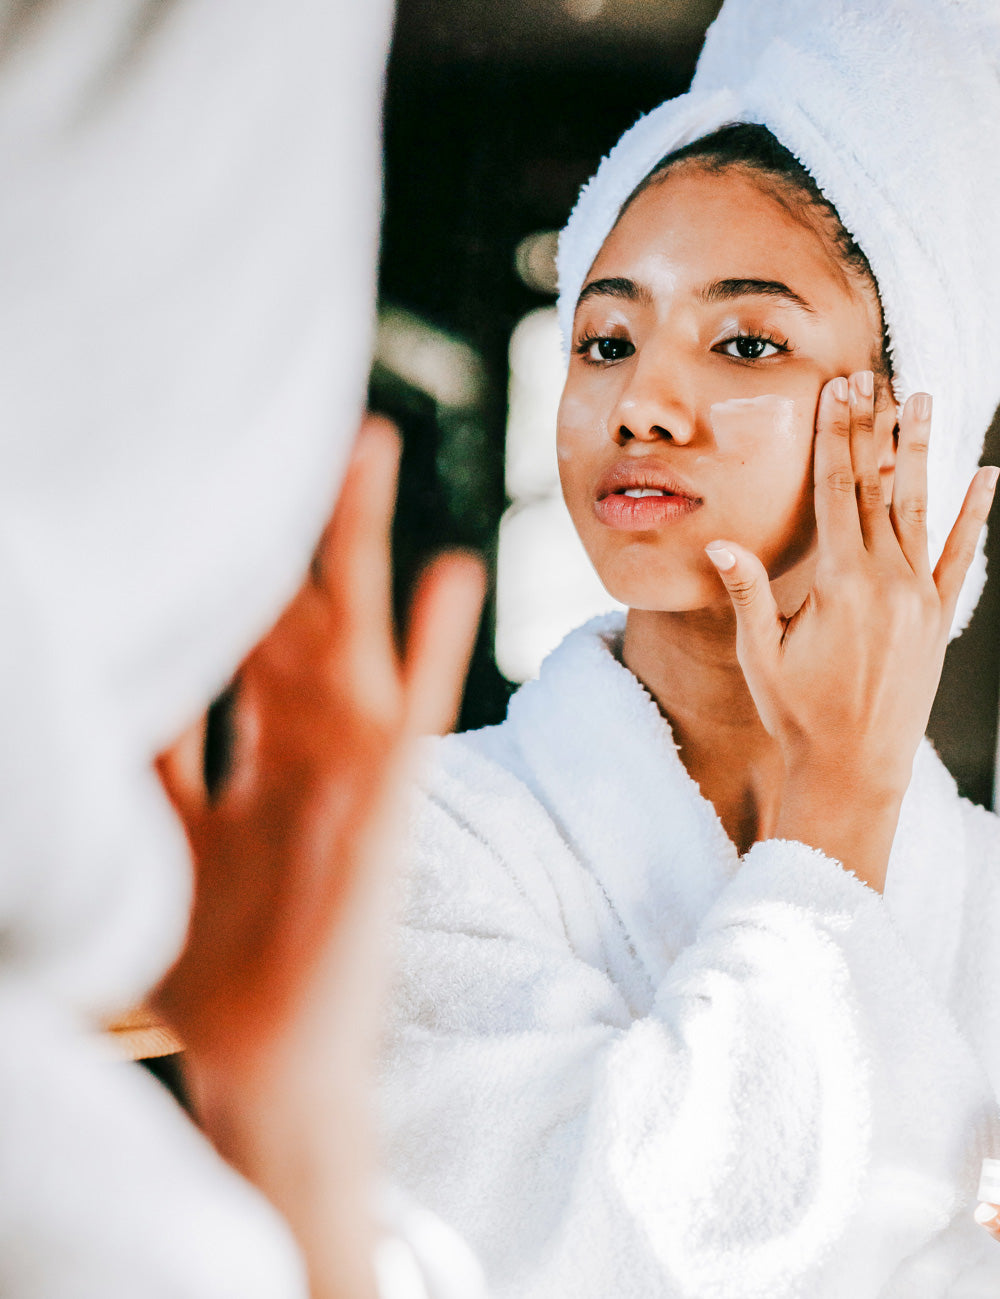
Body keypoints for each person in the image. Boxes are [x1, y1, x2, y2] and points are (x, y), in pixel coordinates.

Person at [376, 2, 1000, 1295]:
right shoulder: (419, 848)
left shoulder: (983, 891)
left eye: (746, 341)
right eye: (605, 338)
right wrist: (836, 807)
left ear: (912, 423)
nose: (639, 402)